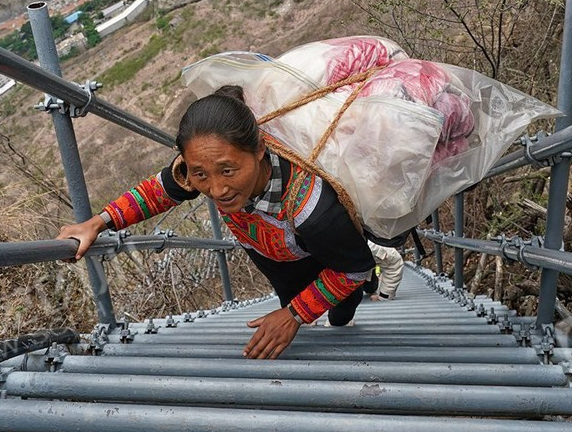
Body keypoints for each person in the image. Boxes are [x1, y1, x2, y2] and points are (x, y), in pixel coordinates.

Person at [57, 85, 375, 360]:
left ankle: (342, 325)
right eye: (201, 175)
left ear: (260, 149)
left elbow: (355, 267)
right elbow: (157, 192)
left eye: (228, 171)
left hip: (330, 255)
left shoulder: (311, 207)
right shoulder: (199, 165)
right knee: (289, 306)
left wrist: (294, 315)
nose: (216, 190)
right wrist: (98, 223)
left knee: (341, 309)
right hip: (277, 260)